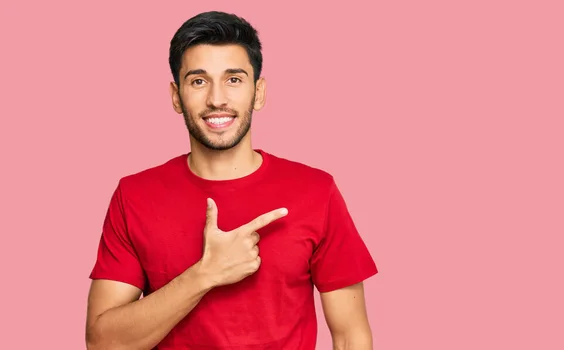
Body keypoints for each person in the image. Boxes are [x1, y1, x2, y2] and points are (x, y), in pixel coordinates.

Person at [85, 10, 378, 350]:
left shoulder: (316, 191)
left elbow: (350, 335)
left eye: (234, 79)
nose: (217, 99)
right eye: (198, 81)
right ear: (176, 96)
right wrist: (206, 274)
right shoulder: (133, 195)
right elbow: (103, 343)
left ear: (259, 92)